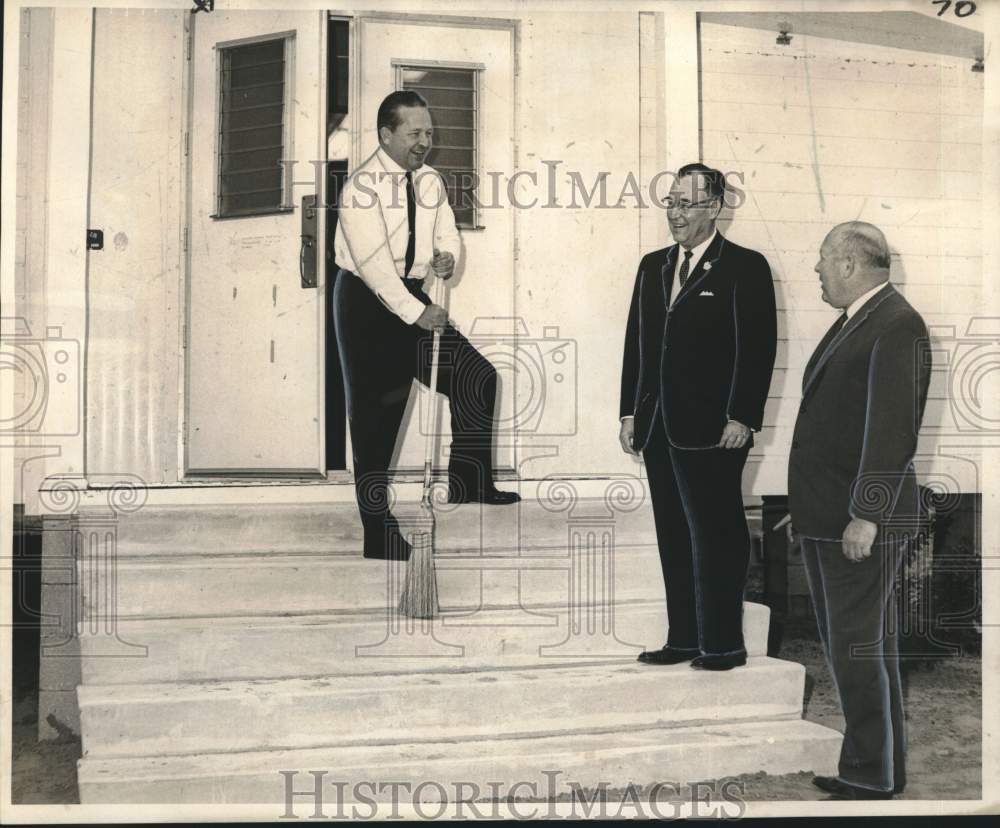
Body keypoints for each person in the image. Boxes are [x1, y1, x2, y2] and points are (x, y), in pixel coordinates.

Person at [333, 90, 519, 561]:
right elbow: (373, 265)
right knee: (376, 421)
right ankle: (377, 532)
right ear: (386, 134)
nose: (424, 142)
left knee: (477, 378)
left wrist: (447, 255)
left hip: (413, 295)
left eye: (429, 133)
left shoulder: (431, 180)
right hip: (367, 304)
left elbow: (446, 231)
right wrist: (419, 313)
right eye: (414, 134)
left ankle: (468, 480)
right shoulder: (360, 187)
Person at [788, 221, 931, 800]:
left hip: (858, 521)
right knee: (867, 648)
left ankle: (869, 776)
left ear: (850, 264)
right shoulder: (861, 321)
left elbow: (893, 430)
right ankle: (878, 770)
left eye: (823, 260)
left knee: (856, 650)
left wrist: (866, 515)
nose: (816, 270)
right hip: (832, 515)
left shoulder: (897, 324)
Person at [619, 163, 777, 670]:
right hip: (659, 426)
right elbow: (636, 345)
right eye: (670, 202)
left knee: (717, 534)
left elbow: (757, 350)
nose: (676, 213)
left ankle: (723, 645)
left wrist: (742, 417)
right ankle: (683, 638)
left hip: (716, 431)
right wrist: (630, 412)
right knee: (673, 533)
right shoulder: (652, 266)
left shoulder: (745, 267)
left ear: (715, 207)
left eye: (686, 203)